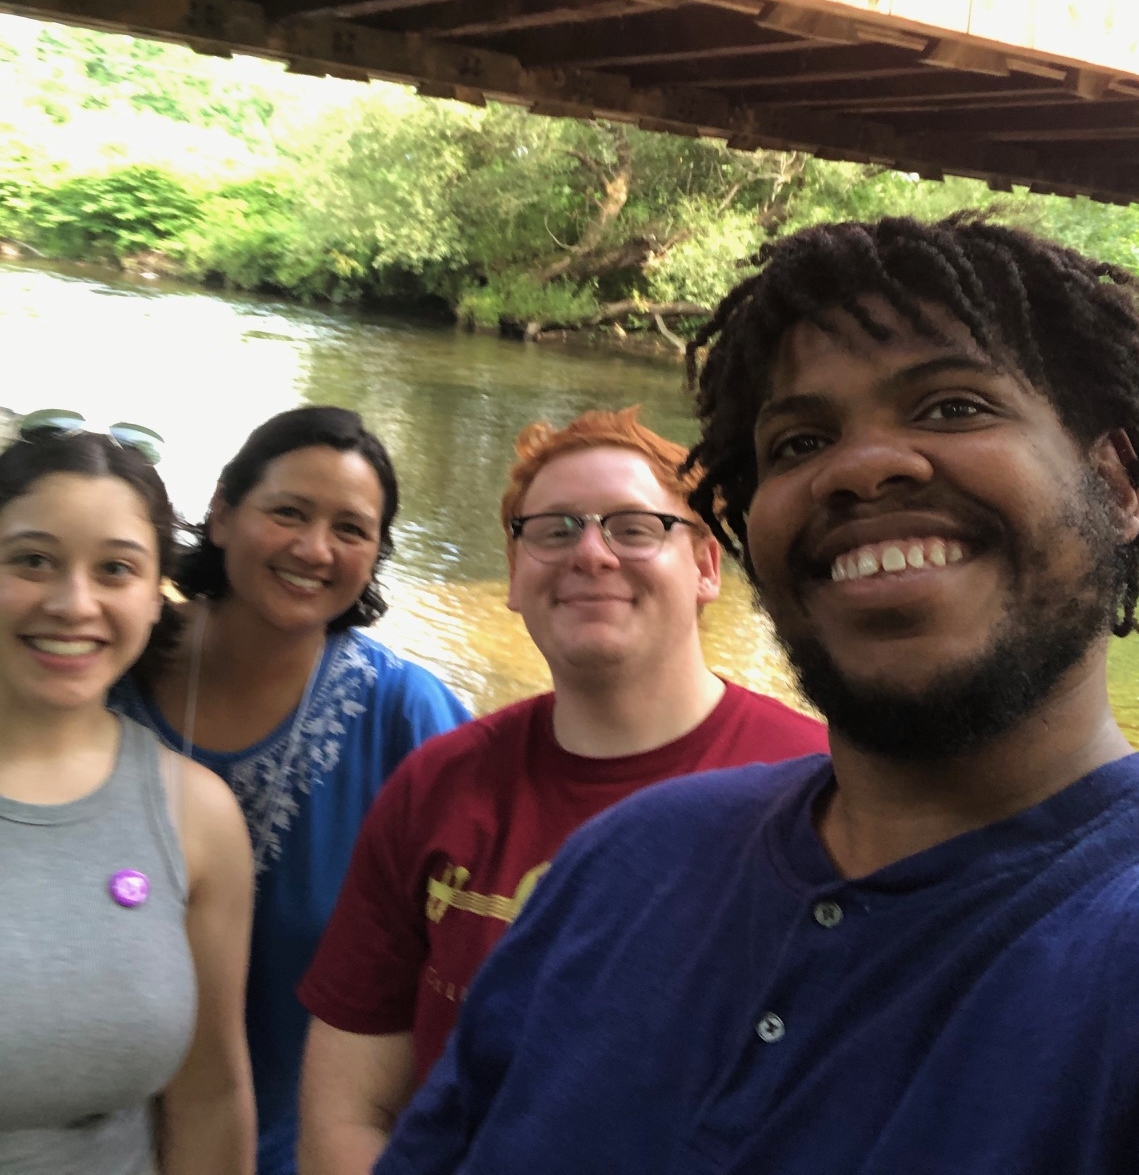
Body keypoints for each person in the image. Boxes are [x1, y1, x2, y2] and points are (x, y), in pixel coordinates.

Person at [375, 215, 1139, 1175]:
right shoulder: (626, 857)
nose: (863, 466)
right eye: (799, 441)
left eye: (954, 407)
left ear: (1118, 484)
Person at [296, 406, 828, 1173]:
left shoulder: (818, 785)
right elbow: (349, 1109)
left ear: (707, 568)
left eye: (634, 527)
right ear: (514, 575)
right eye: (553, 530)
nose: (590, 553)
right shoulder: (438, 786)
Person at [113, 406, 469, 1175]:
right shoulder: (107, 662)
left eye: (351, 529)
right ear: (220, 514)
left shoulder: (409, 719)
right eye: (288, 513)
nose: (314, 549)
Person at [0, 419, 255, 1174]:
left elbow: (209, 1098)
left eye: (115, 570)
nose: (74, 603)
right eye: (34, 561)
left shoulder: (196, 817)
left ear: (155, 598)